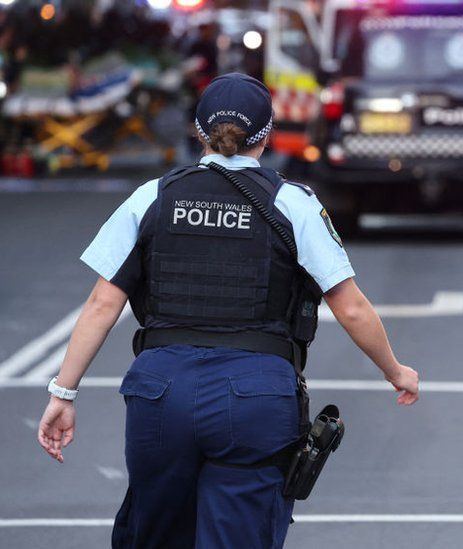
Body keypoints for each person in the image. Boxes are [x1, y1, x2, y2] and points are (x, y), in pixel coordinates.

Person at [36, 73, 420, 548]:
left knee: (154, 534)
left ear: (198, 132)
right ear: (267, 135)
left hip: (161, 395)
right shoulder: (293, 204)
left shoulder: (152, 197)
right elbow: (351, 308)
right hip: (256, 397)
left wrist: (63, 394)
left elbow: (102, 303)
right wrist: (394, 370)